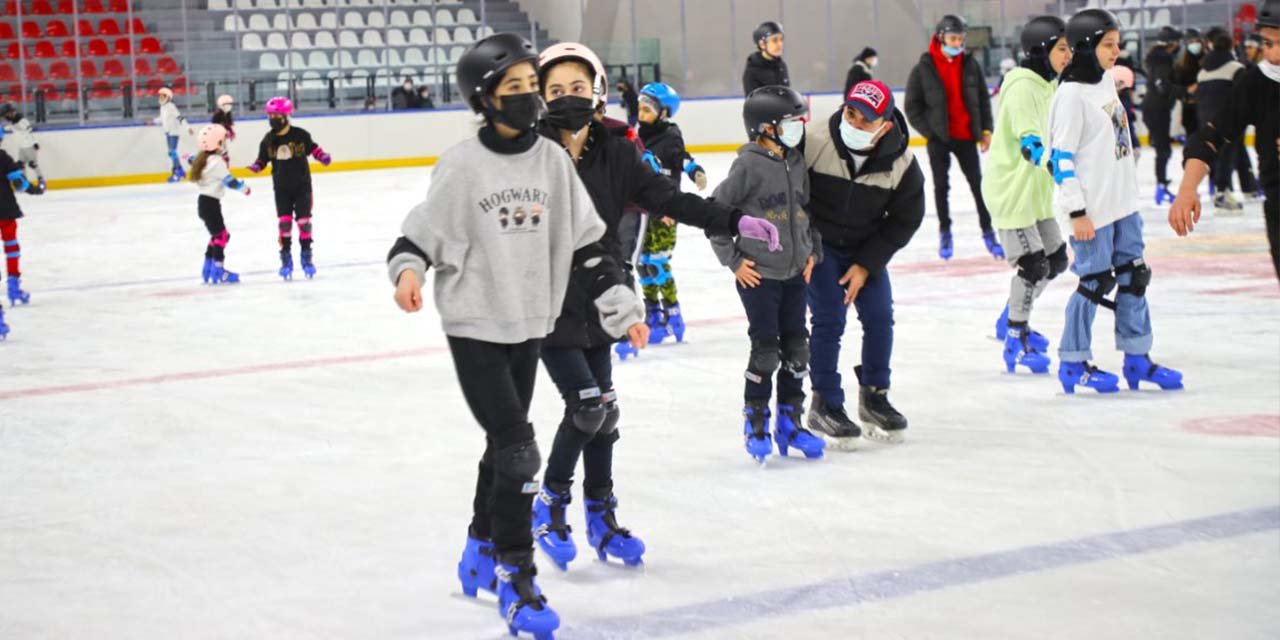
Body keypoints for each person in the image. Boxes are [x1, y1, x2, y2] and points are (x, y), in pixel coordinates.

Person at [387, 33, 647, 640]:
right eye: (516, 90)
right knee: (518, 450)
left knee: (503, 448)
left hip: (531, 323)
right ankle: (516, 575)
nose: (531, 99)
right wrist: (407, 273)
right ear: (485, 99)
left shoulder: (552, 162)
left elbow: (590, 246)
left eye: (534, 88)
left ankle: (479, 541)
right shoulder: (462, 166)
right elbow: (418, 236)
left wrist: (620, 307)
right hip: (476, 325)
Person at [527, 42, 781, 573]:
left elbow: (670, 199)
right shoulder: (529, 153)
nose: (566, 97)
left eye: (577, 87)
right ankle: (549, 504)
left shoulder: (619, 150)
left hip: (604, 296)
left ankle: (601, 514)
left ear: (596, 92)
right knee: (587, 406)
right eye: (555, 90)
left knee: (605, 412)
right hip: (547, 301)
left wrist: (733, 221)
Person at [1048, 8, 1183, 395]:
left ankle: (1137, 358)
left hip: (1124, 204)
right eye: (1108, 45)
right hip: (1092, 211)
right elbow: (1061, 159)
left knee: (1134, 277)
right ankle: (1073, 362)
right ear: (1087, 47)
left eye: (1118, 44)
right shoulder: (1071, 96)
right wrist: (1076, 212)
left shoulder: (1105, 81)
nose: (1116, 51)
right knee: (1093, 281)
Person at [804, 80, 925, 448]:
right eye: (851, 113)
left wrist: (867, 264)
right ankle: (824, 402)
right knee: (829, 317)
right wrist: (805, 245)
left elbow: (905, 219)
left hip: (864, 250)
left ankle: (874, 396)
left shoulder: (901, 162)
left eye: (865, 120)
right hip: (819, 247)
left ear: (885, 125)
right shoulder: (814, 141)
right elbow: (791, 196)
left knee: (879, 316)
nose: (853, 123)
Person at [711, 85, 826, 463]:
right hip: (759, 275)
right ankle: (756, 418)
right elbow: (716, 215)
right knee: (765, 352)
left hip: (795, 272)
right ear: (765, 128)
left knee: (797, 350)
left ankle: (789, 422)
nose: (798, 129)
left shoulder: (794, 161)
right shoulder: (747, 166)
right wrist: (734, 261)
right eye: (791, 122)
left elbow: (806, 211)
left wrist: (811, 252)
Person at [983, 16, 1072, 375]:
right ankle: (1015, 338)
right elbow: (1029, 141)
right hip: (1012, 191)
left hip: (1035, 192)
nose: (1068, 55)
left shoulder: (1048, 84)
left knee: (1056, 259)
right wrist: (1053, 164)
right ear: (1041, 50)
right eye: (1061, 48)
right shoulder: (1022, 86)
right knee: (1033, 266)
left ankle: (1012, 314)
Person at [1169, 1, 1280, 279]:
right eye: (1267, 44)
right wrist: (1187, 189)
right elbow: (1210, 137)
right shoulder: (1257, 81)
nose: (1274, 54)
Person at [905, 14, 1002, 260]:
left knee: (978, 186)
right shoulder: (923, 68)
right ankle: (945, 232)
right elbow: (912, 107)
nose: (957, 43)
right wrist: (931, 132)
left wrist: (986, 130)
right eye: (952, 38)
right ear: (940, 37)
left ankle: (988, 231)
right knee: (941, 188)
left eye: (960, 38)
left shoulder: (970, 64)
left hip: (967, 136)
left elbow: (982, 100)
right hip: (939, 138)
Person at [634, 81, 708, 345]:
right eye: (639, 109)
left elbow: (682, 158)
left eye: (647, 110)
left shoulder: (670, 136)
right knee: (642, 262)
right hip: (644, 209)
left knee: (658, 262)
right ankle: (653, 313)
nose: (641, 115)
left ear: (663, 112)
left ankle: (673, 314)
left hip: (666, 209)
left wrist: (695, 171)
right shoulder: (638, 135)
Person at [248, 97, 331, 281]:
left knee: (304, 222)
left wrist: (322, 156)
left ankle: (306, 255)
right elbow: (262, 159)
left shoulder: (300, 135)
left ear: (286, 116)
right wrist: (256, 167)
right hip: (281, 188)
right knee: (284, 223)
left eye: (276, 115)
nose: (273, 119)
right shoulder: (268, 139)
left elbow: (313, 148)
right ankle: (285, 257)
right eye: (270, 116)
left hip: (302, 187)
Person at [1196, 27, 1259, 214]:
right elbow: (1242, 95)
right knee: (1228, 156)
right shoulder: (1236, 68)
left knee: (1224, 155)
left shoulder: (1203, 71)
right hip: (1229, 118)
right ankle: (1222, 193)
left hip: (1206, 119)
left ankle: (1247, 187)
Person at [188, 124, 251, 285]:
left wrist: (188, 157)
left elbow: (190, 159)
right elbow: (230, 182)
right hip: (211, 204)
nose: (224, 144)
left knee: (218, 236)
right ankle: (218, 270)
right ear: (217, 143)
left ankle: (208, 267)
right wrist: (244, 188)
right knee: (222, 236)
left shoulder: (201, 159)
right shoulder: (216, 162)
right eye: (222, 142)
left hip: (204, 203)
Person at [0, 124, 44, 318]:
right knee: (11, 246)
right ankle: (13, 285)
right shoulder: (2, 157)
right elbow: (19, 183)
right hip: (6, 210)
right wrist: (34, 189)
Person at [1144, 26, 1187, 205]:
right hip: (1157, 110)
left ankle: (1161, 185)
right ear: (1172, 43)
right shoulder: (1163, 59)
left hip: (1155, 109)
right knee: (1163, 150)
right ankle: (1161, 187)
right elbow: (1162, 86)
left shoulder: (1157, 57)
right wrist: (1185, 91)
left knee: (1163, 149)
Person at [152, 87, 193, 183]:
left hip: (174, 132)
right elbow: (162, 118)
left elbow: (180, 118)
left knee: (172, 152)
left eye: (163, 96)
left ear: (168, 97)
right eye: (160, 96)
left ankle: (178, 172)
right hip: (168, 133)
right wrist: (153, 121)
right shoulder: (163, 107)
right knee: (171, 152)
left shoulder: (171, 106)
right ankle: (180, 170)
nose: (161, 97)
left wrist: (188, 127)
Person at [0, 103, 44, 190]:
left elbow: (30, 131)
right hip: (21, 148)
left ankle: (41, 181)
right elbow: (5, 129)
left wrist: (35, 142)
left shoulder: (22, 121)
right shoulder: (12, 124)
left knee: (32, 164)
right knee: (20, 165)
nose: (6, 117)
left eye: (7, 114)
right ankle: (25, 184)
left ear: (12, 112)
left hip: (29, 146)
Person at [742, 21, 790, 95]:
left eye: (781, 39)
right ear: (762, 44)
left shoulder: (781, 66)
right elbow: (753, 104)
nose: (780, 44)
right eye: (775, 40)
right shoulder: (752, 72)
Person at [1174, 28, 1204, 141]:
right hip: (1189, 110)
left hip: (1205, 108)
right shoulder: (1181, 65)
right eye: (1191, 42)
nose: (1194, 44)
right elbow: (1177, 89)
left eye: (1197, 41)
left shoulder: (1208, 60)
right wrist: (1187, 91)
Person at [210, 94, 236, 164]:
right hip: (216, 139)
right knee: (220, 156)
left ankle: (225, 170)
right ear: (221, 105)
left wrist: (231, 132)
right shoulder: (217, 115)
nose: (229, 106)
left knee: (225, 156)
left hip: (222, 140)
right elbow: (215, 127)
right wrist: (225, 132)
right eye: (227, 104)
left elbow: (228, 125)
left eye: (230, 104)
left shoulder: (228, 114)